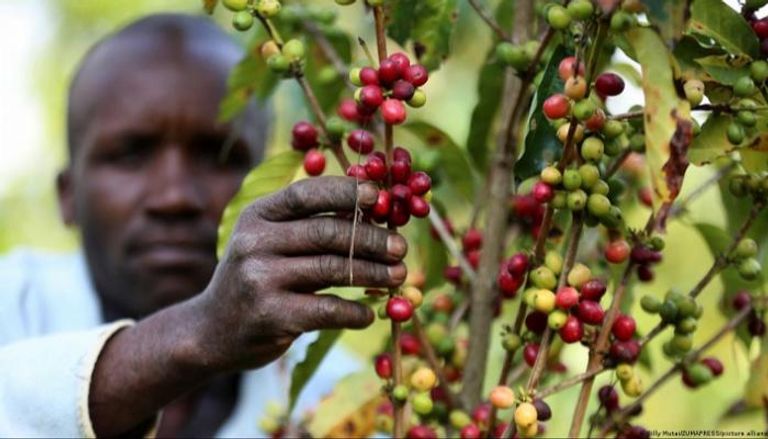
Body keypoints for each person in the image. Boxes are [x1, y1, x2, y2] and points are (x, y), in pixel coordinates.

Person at [0, 13, 408, 437]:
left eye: (218, 155)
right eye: (131, 154)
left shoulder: (336, 401)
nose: (174, 196)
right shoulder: (12, 305)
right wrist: (197, 335)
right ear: (68, 195)